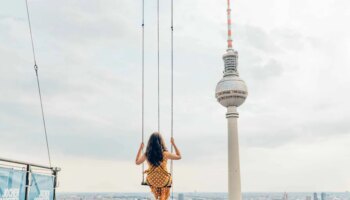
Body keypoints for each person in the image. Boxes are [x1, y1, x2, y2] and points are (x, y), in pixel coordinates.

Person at [135, 132, 182, 200]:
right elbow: (179, 156)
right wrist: (173, 144)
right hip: (164, 180)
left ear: (150, 143)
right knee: (166, 183)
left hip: (152, 180)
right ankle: (162, 197)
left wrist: (140, 148)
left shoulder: (147, 154)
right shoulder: (165, 154)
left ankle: (157, 195)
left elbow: (137, 162)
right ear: (161, 142)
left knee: (156, 183)